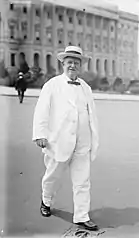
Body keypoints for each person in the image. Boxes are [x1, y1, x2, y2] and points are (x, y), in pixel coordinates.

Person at [32, 46, 99, 231]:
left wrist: (93, 138)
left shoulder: (86, 88)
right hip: (58, 141)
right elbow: (41, 111)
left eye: (76, 63)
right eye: (69, 62)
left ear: (81, 66)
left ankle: (82, 216)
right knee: (52, 176)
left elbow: (91, 114)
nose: (73, 65)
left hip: (82, 142)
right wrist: (40, 134)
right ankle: (46, 201)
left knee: (82, 181)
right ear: (63, 63)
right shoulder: (52, 85)